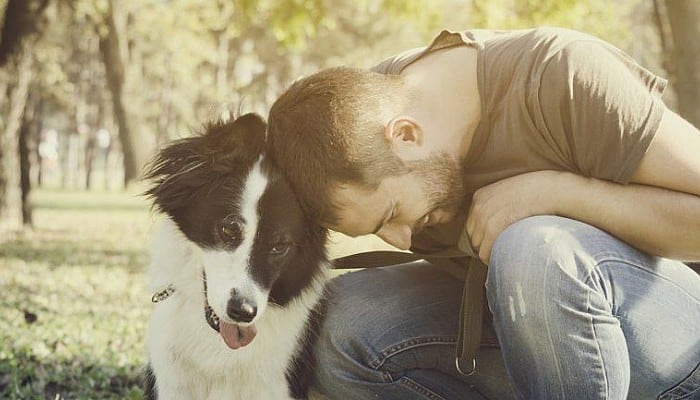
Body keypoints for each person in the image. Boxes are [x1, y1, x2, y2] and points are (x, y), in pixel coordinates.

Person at [266, 27, 700, 400]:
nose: (400, 240)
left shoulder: (559, 74)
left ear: (407, 135)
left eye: (392, 214)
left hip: (670, 347)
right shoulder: (343, 123)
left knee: (534, 250)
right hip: (525, 345)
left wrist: (558, 193)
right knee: (333, 326)